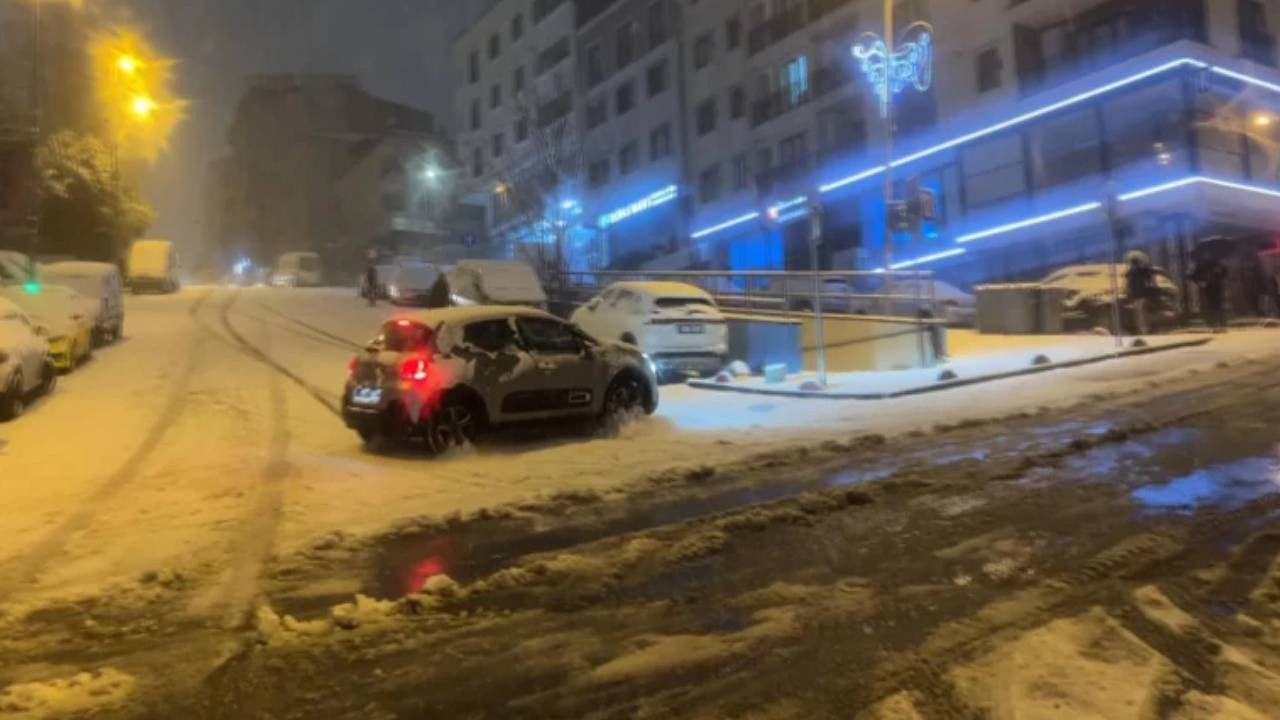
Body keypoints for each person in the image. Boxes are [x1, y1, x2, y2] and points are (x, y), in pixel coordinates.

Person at [1190, 255, 1229, 331]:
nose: (1207, 255)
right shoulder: (1201, 265)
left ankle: (1221, 323)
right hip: (1208, 287)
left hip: (1217, 286)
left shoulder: (1218, 263)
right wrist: (1200, 282)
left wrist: (1220, 272)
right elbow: (1193, 276)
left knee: (1219, 304)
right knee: (1211, 305)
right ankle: (1214, 324)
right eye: (1206, 254)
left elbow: (1225, 273)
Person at [1124, 256, 1157, 335]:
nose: (1131, 265)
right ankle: (1142, 329)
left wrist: (1127, 290)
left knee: (1140, 311)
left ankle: (1143, 329)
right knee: (1139, 312)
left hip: (1140, 294)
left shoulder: (1139, 271)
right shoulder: (1136, 271)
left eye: (1132, 263)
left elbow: (1149, 279)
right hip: (1139, 294)